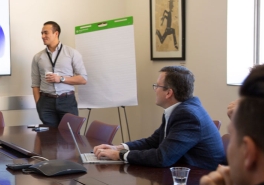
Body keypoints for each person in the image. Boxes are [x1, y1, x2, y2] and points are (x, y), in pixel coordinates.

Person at [93, 66, 225, 170]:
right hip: (183, 174)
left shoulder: (188, 115)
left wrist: (119, 156)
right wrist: (118, 148)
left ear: (169, 93)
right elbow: (153, 142)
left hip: (200, 182)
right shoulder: (179, 110)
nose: (155, 89)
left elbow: (162, 157)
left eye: (157, 86)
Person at [31, 21, 87, 127]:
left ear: (56, 33)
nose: (43, 36)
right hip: (46, 103)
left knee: (71, 137)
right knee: (49, 139)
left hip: (67, 101)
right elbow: (35, 84)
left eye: (46, 33)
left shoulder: (71, 53)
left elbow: (83, 79)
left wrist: (61, 79)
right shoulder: (38, 57)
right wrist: (39, 104)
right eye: (42, 33)